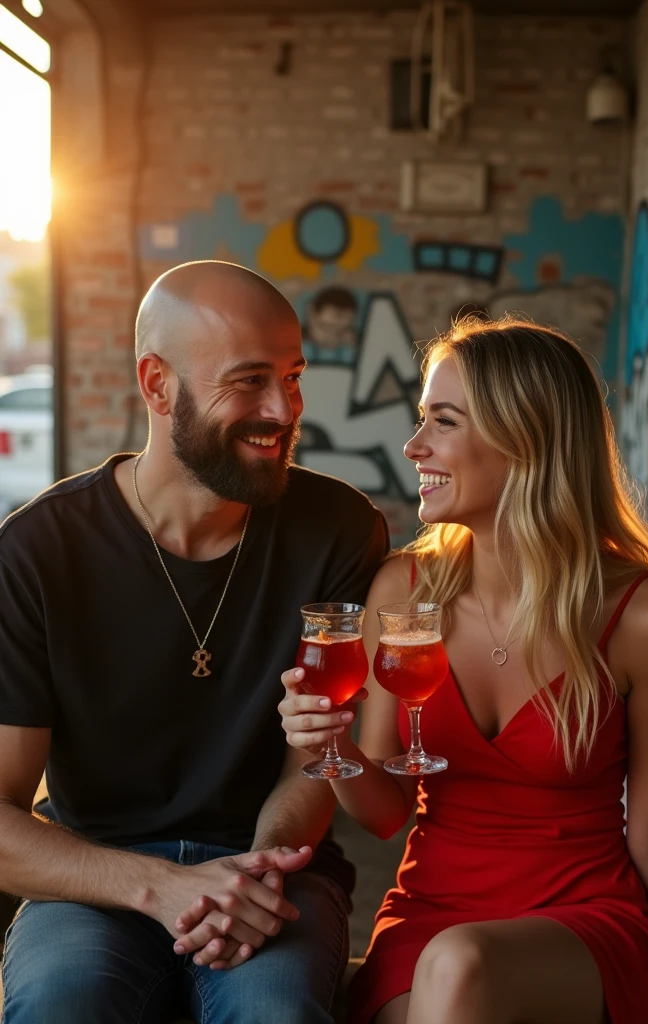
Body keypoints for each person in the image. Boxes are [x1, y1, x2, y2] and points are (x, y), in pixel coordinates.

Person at [0, 260, 388, 1024]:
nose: (282, 409)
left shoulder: (339, 531)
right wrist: (160, 887)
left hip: (276, 870)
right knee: (59, 1006)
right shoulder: (37, 551)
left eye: (294, 376)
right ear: (157, 385)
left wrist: (254, 871)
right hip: (94, 879)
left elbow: (314, 760)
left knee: (277, 1015)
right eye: (248, 381)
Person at [279, 317, 648, 1024]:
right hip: (428, 915)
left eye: (443, 422)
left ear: (524, 438)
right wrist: (331, 745)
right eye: (420, 420)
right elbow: (384, 814)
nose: (413, 447)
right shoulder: (403, 591)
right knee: (449, 968)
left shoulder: (644, 617)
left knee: (459, 967)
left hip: (585, 922)